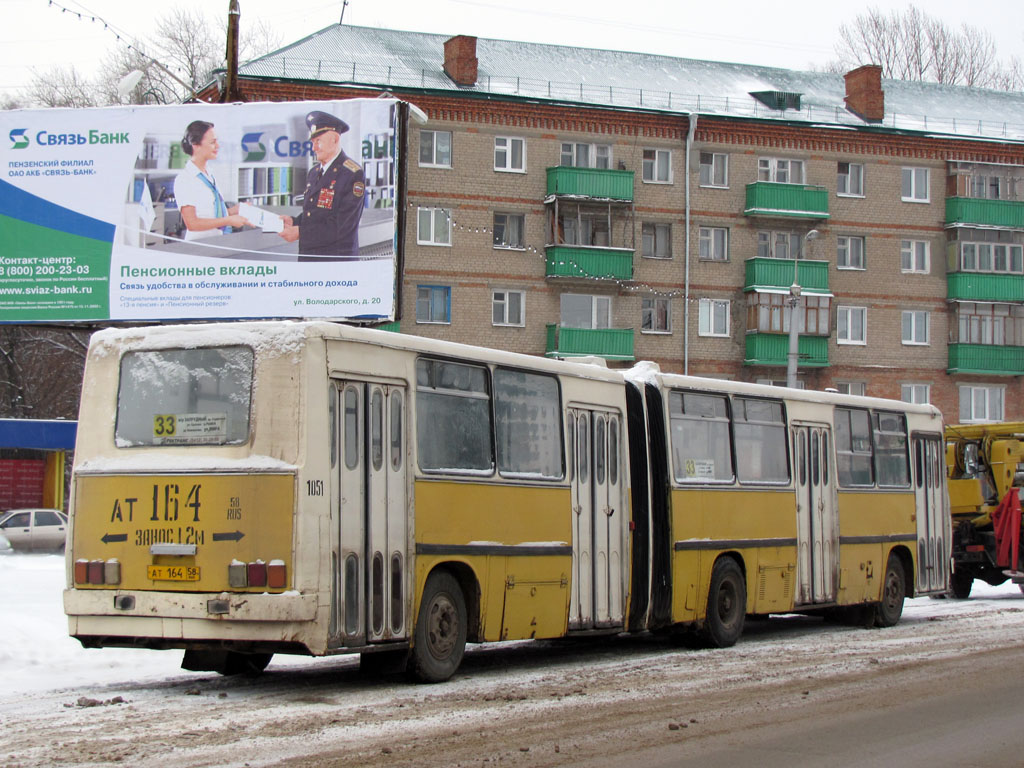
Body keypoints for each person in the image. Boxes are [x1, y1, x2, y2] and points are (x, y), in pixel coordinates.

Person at [279, 110, 365, 258]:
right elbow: (315, 214)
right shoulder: (314, 173)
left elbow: (342, 225)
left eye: (318, 141)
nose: (314, 148)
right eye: (313, 142)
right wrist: (294, 221)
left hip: (336, 263)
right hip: (310, 259)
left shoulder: (352, 173)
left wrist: (300, 232)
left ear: (335, 139)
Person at [173, 120, 249, 241]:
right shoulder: (185, 179)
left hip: (217, 242)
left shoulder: (209, 174)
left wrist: (234, 211)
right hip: (200, 247)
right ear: (195, 145)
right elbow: (192, 224)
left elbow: (212, 215)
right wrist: (228, 220)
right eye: (213, 142)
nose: (217, 146)